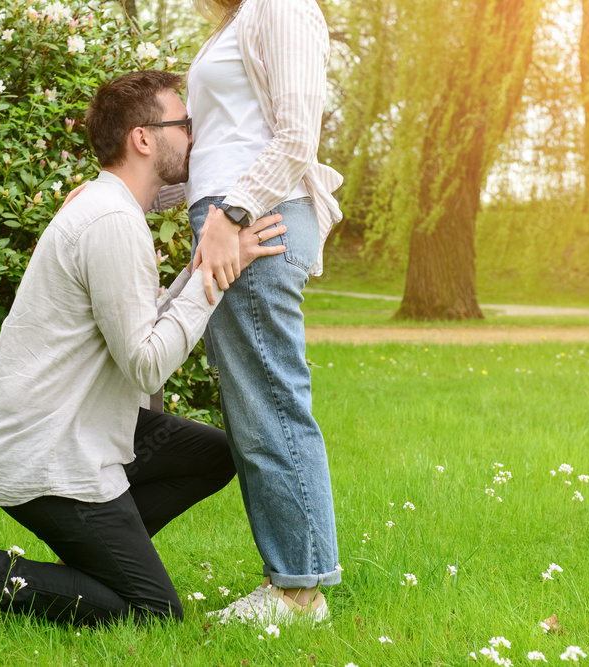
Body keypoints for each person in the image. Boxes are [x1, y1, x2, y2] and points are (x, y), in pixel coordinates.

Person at [0, 70, 287, 637]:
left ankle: (90, 564)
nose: (193, 135)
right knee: (154, 613)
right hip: (48, 451)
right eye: (183, 124)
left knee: (211, 455)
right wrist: (213, 275)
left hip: (78, 428)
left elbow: (140, 322)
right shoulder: (110, 218)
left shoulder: (109, 207)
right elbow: (146, 361)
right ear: (143, 138)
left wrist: (202, 268)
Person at [182, 0, 346, 624]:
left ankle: (299, 591)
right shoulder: (239, 19)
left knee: (270, 401)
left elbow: (297, 135)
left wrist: (231, 214)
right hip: (232, 215)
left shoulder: (283, 7)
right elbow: (216, 147)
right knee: (256, 404)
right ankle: (294, 582)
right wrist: (119, 185)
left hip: (257, 218)